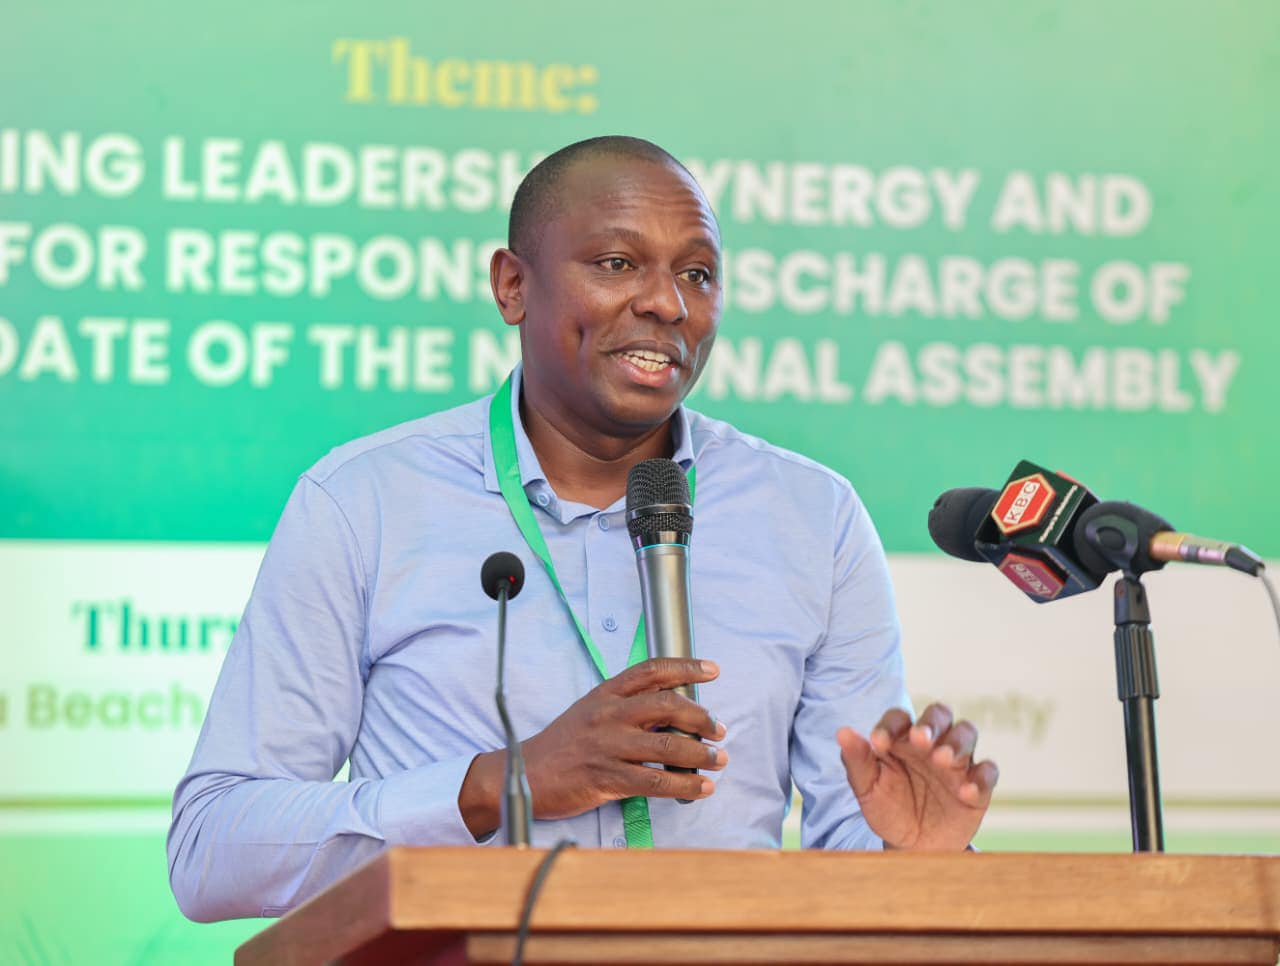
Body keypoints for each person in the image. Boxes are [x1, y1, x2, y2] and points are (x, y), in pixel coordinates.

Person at [167, 136, 997, 923]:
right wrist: (503, 784)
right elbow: (212, 850)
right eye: (616, 263)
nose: (667, 303)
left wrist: (915, 854)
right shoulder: (365, 502)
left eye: (698, 274)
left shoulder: (812, 517)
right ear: (512, 286)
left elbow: (857, 860)